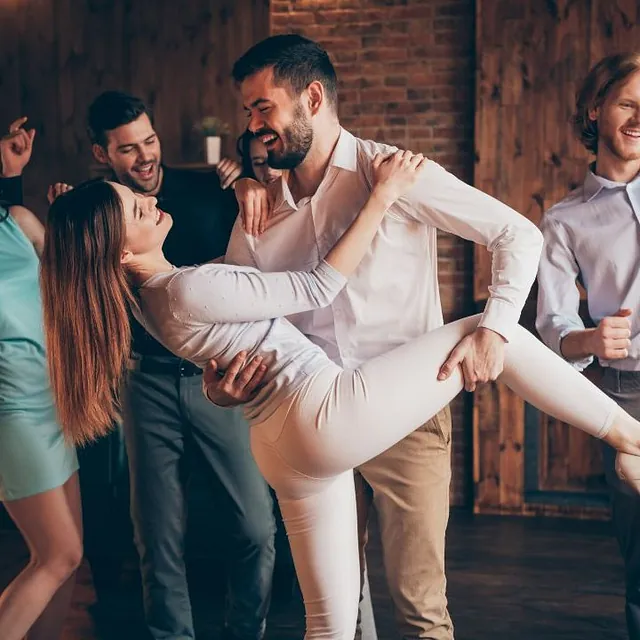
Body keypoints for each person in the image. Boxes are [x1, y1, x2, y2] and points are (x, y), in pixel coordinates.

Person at [41, 157, 640, 639]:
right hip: (319, 413)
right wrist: (382, 195)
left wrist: (251, 183)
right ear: (119, 250)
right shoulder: (187, 287)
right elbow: (319, 285)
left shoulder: (154, 303)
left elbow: (226, 328)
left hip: (281, 443)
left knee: (328, 625)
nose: (147, 200)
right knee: (489, 328)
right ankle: (628, 437)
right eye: (133, 209)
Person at [536, 52, 640, 638]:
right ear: (596, 109)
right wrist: (592, 338)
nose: (639, 117)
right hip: (627, 396)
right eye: (628, 102)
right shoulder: (565, 220)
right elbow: (552, 327)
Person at [0, 199, 81, 640]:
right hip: (12, 412)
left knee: (68, 561)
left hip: (54, 401)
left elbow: (71, 281)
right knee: (57, 555)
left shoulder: (17, 221)